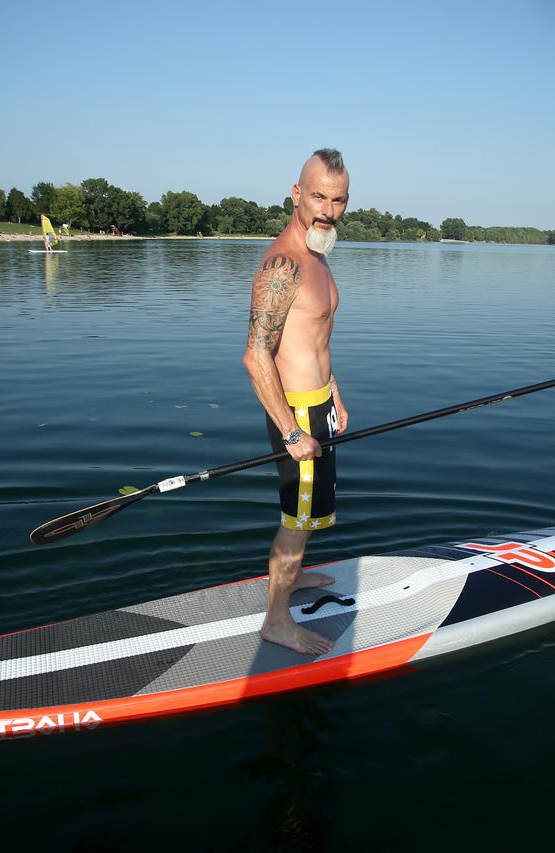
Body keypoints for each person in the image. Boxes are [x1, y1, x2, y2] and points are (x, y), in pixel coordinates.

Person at [242, 148, 350, 655]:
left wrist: (334, 395)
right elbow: (256, 358)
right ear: (296, 195)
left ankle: (297, 573)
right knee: (296, 518)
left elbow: (318, 339)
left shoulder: (319, 255)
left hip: (318, 404)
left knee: (307, 515)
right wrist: (290, 430)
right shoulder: (282, 265)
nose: (327, 209)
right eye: (318, 196)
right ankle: (276, 621)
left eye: (338, 199)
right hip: (297, 414)